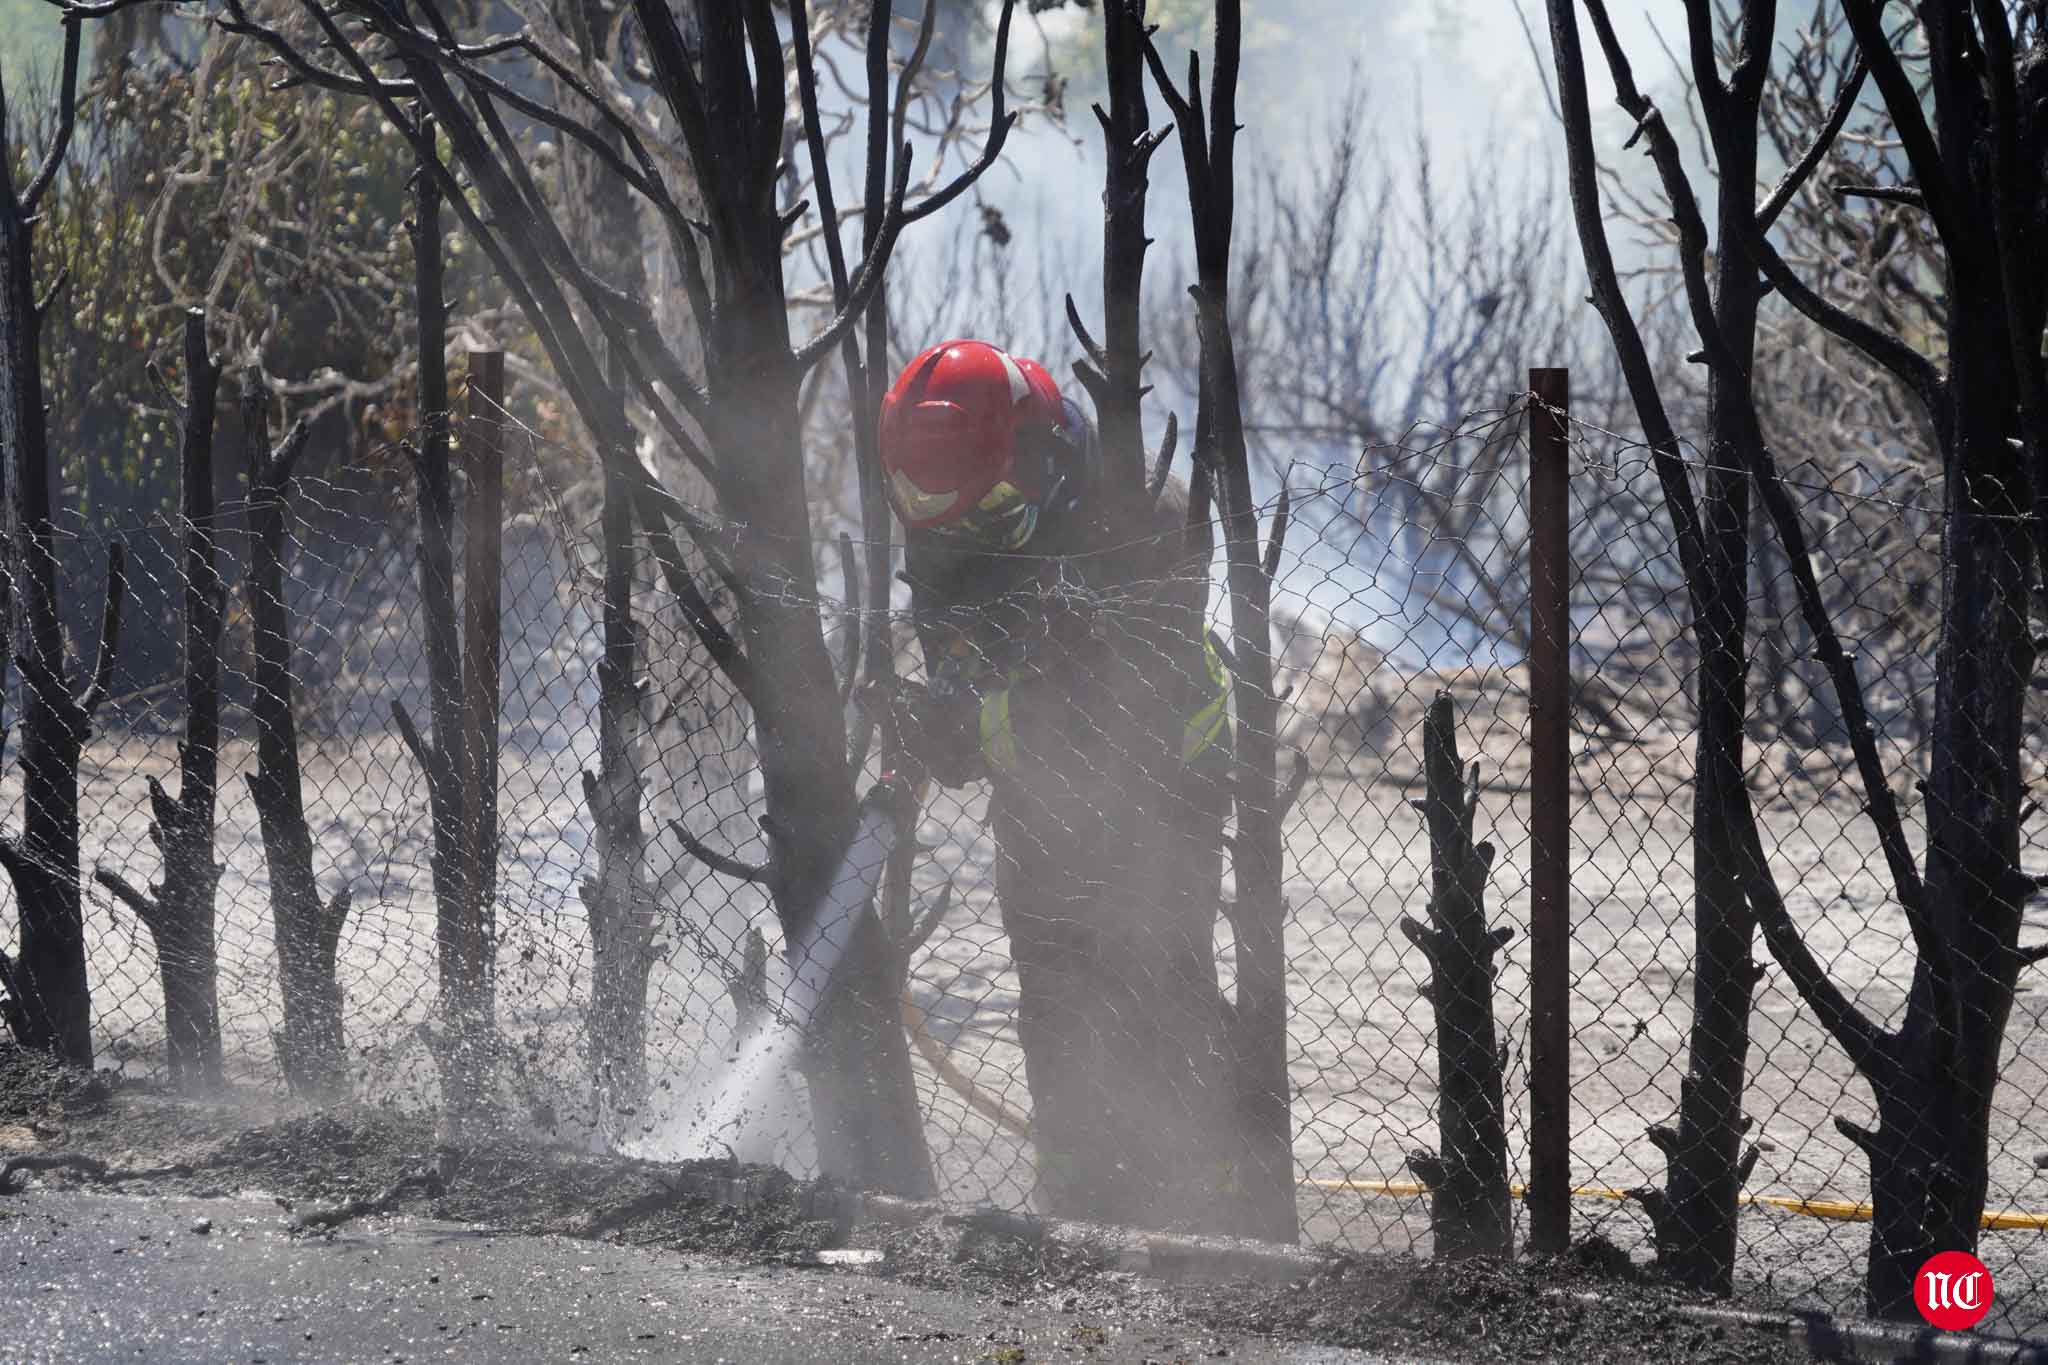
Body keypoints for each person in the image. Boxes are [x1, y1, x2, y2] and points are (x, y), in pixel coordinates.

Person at [875, 338, 1245, 1232]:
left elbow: (1137, 711)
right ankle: (1079, 1205)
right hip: (1034, 817)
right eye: (950, 519)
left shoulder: (1145, 524)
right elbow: (972, 709)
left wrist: (995, 715)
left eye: (995, 514)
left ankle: (1219, 1201)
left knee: (1162, 981)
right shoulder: (950, 545)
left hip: (1166, 798)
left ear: (1048, 463)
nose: (971, 538)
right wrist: (938, 726)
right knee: (1053, 993)